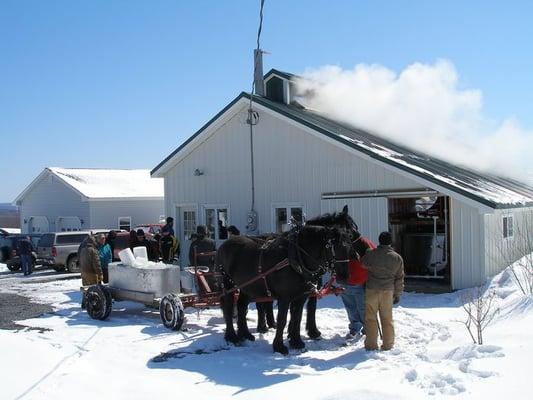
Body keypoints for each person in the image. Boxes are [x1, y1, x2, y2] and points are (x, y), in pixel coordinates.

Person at [361, 231, 404, 351]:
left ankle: (371, 344)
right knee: (387, 318)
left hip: (372, 290)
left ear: (379, 241)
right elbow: (399, 278)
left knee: (370, 317)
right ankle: (388, 344)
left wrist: (367, 252)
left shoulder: (371, 254)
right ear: (391, 242)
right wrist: (398, 294)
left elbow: (363, 263)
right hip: (387, 291)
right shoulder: (397, 258)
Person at [337, 231, 376, 340]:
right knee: (350, 308)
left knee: (362, 308)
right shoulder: (340, 244)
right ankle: (355, 328)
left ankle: (367, 328)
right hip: (346, 282)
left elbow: (373, 261)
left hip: (361, 282)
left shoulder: (364, 244)